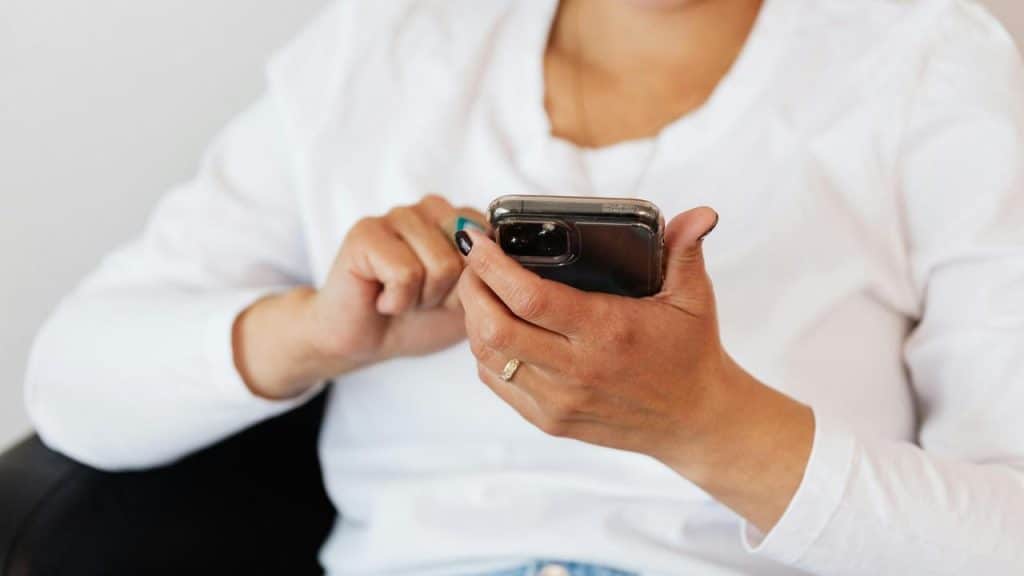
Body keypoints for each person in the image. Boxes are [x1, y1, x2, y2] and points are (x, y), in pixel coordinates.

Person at [24, 0, 1024, 574]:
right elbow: (70, 389)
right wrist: (319, 334)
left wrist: (706, 425)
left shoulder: (928, 65)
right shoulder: (377, 52)